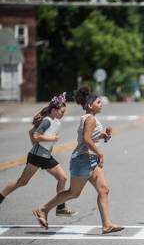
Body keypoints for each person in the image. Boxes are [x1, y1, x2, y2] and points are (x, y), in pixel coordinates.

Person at [32, 87, 124, 234]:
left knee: (103, 190)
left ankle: (107, 225)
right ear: (89, 105)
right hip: (83, 159)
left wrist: (104, 136)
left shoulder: (89, 118)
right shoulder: (90, 119)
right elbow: (86, 140)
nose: (101, 104)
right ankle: (42, 209)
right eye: (98, 102)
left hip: (90, 159)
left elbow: (90, 137)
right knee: (73, 193)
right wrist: (100, 153)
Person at [0, 93, 77, 217]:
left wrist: (40, 143)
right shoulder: (47, 121)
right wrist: (50, 139)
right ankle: (0, 197)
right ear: (54, 110)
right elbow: (36, 135)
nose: (63, 114)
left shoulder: (55, 121)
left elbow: (31, 132)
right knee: (22, 182)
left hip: (46, 156)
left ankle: (61, 207)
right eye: (62, 111)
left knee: (62, 178)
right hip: (36, 157)